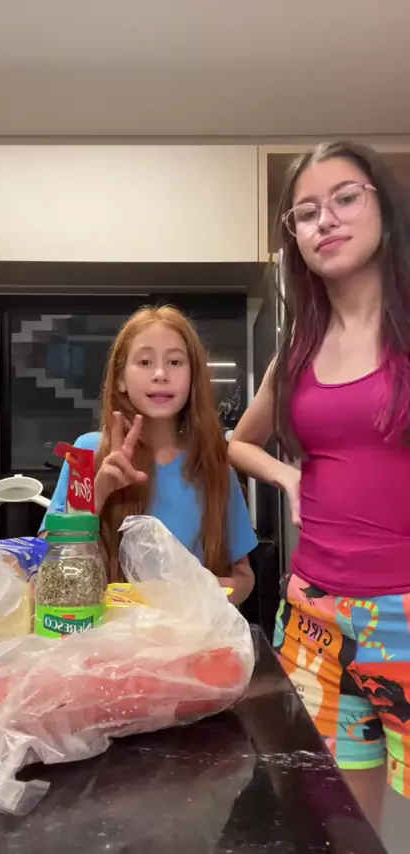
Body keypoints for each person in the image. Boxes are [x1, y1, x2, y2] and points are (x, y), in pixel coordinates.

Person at [228, 141, 410, 829]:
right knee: (335, 822)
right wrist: (287, 475)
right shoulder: (298, 352)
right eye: (306, 213)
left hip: (406, 615)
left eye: (345, 198)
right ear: (296, 239)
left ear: (384, 209)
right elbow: (238, 442)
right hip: (313, 619)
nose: (325, 220)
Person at [42, 305, 256, 605]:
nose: (160, 374)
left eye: (175, 362)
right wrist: (97, 493)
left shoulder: (214, 467)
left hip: (193, 631)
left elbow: (243, 576)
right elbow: (48, 568)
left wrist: (201, 593)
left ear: (193, 378)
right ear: (120, 379)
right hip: (107, 630)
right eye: (144, 361)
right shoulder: (87, 453)